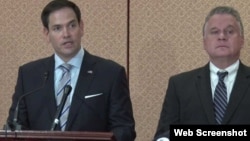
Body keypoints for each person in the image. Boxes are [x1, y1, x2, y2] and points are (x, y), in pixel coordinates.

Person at [6, 0, 136, 141]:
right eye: (57, 28)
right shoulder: (29, 75)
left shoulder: (110, 74)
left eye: (72, 25)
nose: (66, 34)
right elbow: (15, 128)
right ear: (46, 34)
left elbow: (124, 130)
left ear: (81, 27)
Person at [154, 6, 250, 141]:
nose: (222, 36)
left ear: (242, 40)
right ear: (204, 42)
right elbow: (165, 134)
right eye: (214, 32)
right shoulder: (180, 85)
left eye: (229, 31)